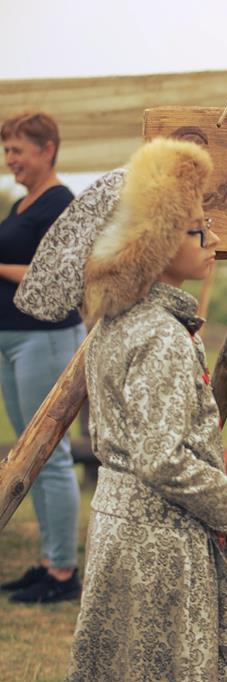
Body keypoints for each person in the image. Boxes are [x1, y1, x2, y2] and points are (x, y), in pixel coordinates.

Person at [17, 138, 227, 682]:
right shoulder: (161, 338)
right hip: (159, 548)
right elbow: (162, 457)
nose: (212, 239)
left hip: (123, 535)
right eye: (197, 229)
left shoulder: (121, 323)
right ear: (155, 243)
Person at [0, 111, 86, 604]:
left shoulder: (60, 203)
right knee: (25, 456)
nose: (9, 159)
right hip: (14, 339)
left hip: (45, 339)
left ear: (47, 149)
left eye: (17, 150)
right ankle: (49, 560)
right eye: (7, 151)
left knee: (48, 457)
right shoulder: (21, 203)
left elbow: (58, 275)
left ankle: (62, 572)